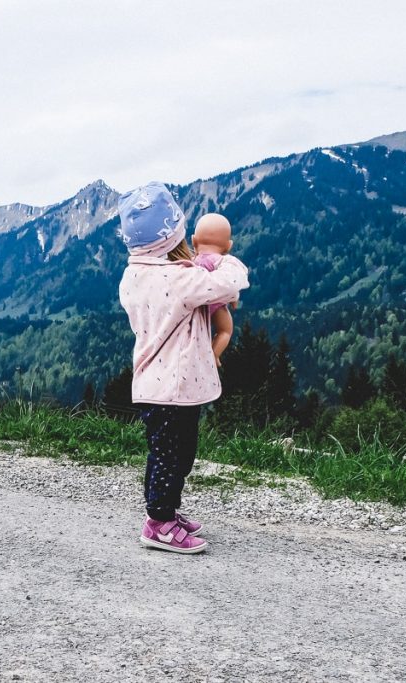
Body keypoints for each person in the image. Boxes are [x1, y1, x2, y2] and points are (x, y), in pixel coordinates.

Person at [118, 182, 249, 554]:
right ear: (176, 236)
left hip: (155, 384)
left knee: (171, 452)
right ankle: (158, 522)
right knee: (171, 455)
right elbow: (231, 281)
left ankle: (166, 511)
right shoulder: (180, 279)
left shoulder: (135, 276)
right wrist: (225, 258)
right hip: (174, 387)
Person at [192, 213, 237, 367]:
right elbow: (232, 282)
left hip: (196, 304)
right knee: (225, 330)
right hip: (217, 304)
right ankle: (214, 354)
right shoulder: (222, 261)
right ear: (228, 246)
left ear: (193, 241)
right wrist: (234, 299)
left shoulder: (192, 262)